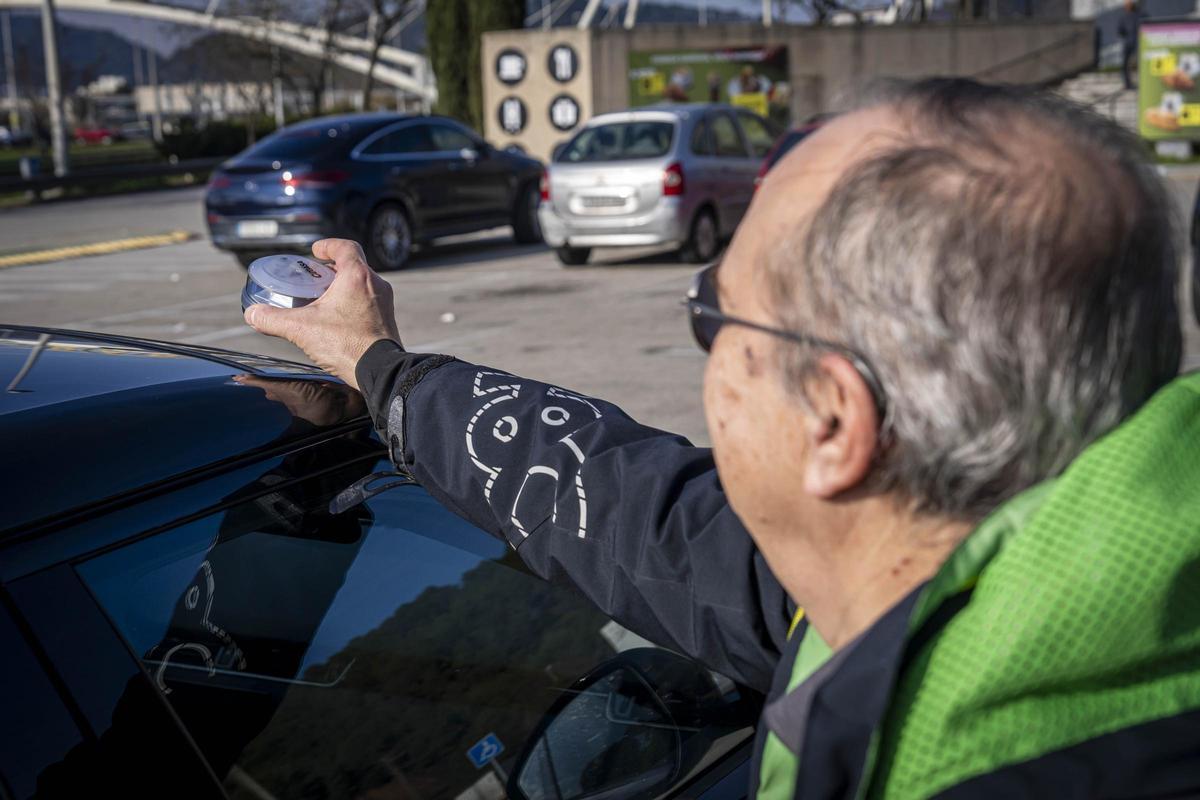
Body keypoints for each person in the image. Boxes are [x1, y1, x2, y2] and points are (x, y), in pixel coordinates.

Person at [243, 79, 1200, 798]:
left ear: (833, 423)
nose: (706, 332)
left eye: (717, 309)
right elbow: (633, 514)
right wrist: (384, 372)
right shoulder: (899, 582)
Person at [1118, 0, 1144, 90]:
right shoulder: (1123, 17)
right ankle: (1127, 84)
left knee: (1141, 63)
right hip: (1127, 43)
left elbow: (1145, 25)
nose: (1128, 6)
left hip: (1138, 42)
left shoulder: (1139, 15)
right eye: (1126, 4)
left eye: (1129, 4)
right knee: (1124, 64)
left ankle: (1143, 83)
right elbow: (1120, 30)